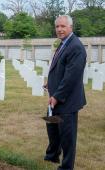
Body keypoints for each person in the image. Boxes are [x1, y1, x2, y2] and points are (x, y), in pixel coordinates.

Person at [44, 15, 86, 170]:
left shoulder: (76, 47)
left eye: (63, 26)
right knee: (52, 127)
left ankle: (66, 166)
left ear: (71, 27)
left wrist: (57, 96)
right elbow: (59, 68)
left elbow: (71, 77)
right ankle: (52, 155)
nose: (59, 29)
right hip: (55, 96)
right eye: (57, 27)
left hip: (66, 100)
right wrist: (50, 82)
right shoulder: (63, 44)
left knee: (67, 136)